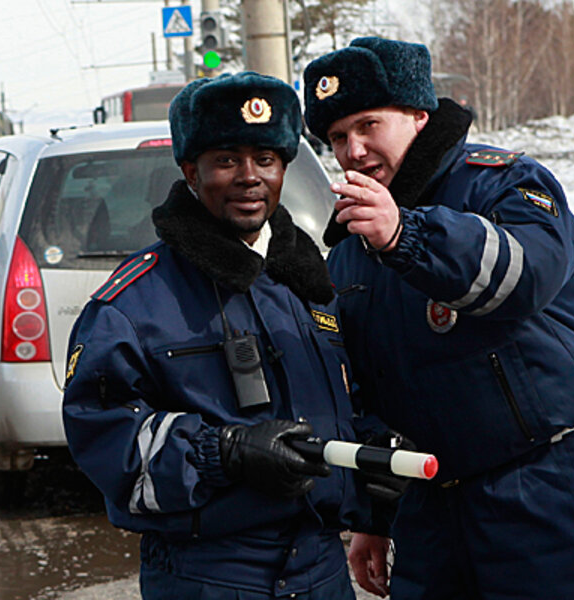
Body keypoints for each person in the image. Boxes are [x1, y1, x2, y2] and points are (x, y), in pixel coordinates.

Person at [303, 37, 574, 599]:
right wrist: (373, 516)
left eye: (368, 126)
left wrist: (406, 236)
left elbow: (526, 278)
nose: (353, 150)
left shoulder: (501, 183)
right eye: (337, 137)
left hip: (540, 480)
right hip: (429, 497)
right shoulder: (354, 244)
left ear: (418, 116)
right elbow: (370, 392)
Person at [62, 72, 380, 599]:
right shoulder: (133, 304)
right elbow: (106, 444)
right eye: (226, 160)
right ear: (191, 172)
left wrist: (372, 467)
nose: (249, 177)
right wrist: (222, 451)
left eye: (266, 160)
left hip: (321, 571)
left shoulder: (312, 287)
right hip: (208, 576)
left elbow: (351, 406)